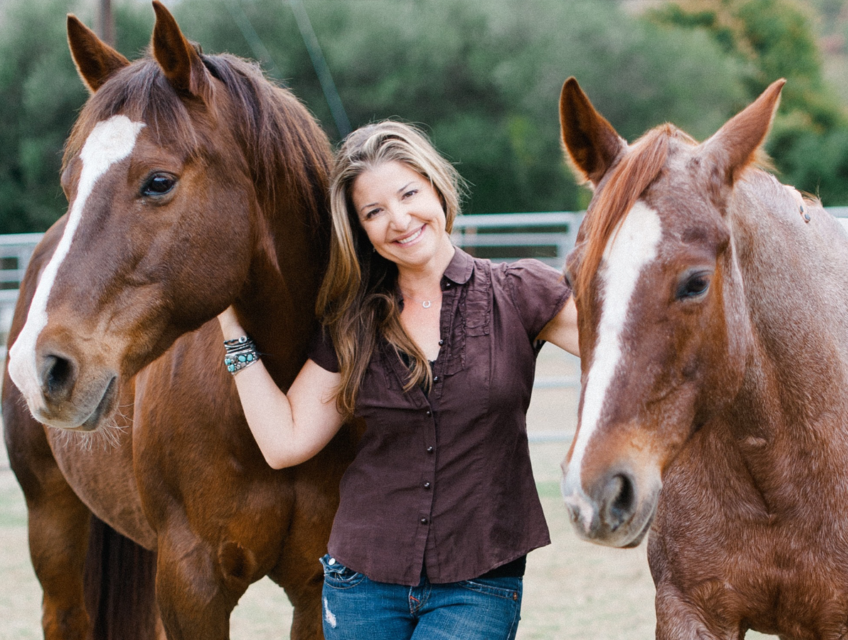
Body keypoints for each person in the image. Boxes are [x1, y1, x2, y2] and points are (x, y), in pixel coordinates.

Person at [218, 120, 578, 640]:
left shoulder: (520, 293)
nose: (399, 219)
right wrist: (232, 327)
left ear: (437, 186)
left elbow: (634, 352)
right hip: (361, 582)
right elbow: (285, 440)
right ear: (360, 229)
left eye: (409, 193)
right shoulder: (352, 321)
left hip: (478, 582)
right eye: (374, 211)